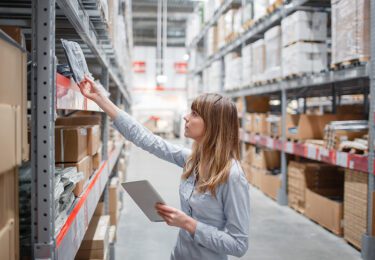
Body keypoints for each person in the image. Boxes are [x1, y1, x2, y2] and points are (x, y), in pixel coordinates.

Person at [78, 76, 250, 260]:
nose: (186, 116)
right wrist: (100, 99)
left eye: (195, 114)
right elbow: (147, 139)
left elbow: (238, 245)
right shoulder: (193, 161)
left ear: (213, 126)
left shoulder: (232, 176)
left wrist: (189, 224)